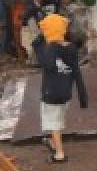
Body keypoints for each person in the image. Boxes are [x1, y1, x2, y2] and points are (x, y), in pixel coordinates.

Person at [30, 13, 88, 163]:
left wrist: (39, 43)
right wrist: (83, 97)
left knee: (53, 124)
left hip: (51, 94)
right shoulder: (71, 48)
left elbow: (46, 64)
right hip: (65, 94)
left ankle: (59, 154)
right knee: (57, 120)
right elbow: (76, 72)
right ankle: (53, 142)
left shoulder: (50, 49)